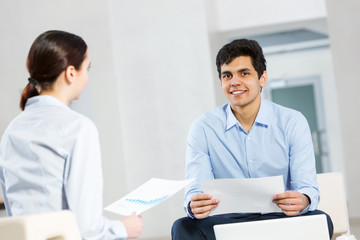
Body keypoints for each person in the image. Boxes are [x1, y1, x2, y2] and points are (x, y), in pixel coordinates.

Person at [171, 39, 333, 239]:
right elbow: (195, 189)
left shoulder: (293, 122)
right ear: (221, 81)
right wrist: (194, 204)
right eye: (227, 75)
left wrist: (304, 199)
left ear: (262, 78)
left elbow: (306, 187)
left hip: (280, 216)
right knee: (183, 227)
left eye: (244, 73)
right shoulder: (203, 127)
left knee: (323, 220)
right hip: (227, 220)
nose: (234, 82)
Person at [0, 30, 143, 239]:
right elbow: (87, 229)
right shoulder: (78, 128)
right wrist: (124, 228)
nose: (87, 76)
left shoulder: (12, 130)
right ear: (71, 73)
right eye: (87, 68)